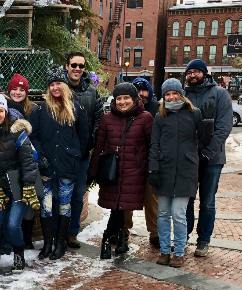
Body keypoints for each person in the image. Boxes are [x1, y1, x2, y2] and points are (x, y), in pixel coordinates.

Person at [149, 79, 215, 268]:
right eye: (167, 94)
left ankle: (178, 252)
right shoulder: (160, 117)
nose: (171, 97)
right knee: (162, 213)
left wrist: (208, 123)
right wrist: (153, 168)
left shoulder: (194, 114)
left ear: (181, 94)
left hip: (186, 170)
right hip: (164, 169)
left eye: (174, 93)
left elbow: (205, 139)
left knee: (178, 214)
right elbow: (154, 145)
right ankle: (164, 251)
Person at [87, 83, 154, 260]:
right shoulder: (107, 119)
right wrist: (92, 172)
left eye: (126, 98)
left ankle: (108, 240)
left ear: (134, 99)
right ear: (114, 100)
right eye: (119, 98)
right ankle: (119, 239)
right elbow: (99, 146)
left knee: (121, 206)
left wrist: (152, 170)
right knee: (117, 206)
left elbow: (152, 146)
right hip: (113, 171)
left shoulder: (145, 118)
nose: (123, 102)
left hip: (135, 171)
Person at [29, 66, 89, 261]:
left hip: (67, 165)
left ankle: (60, 243)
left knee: (64, 205)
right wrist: (41, 154)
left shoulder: (77, 108)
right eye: (52, 84)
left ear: (64, 85)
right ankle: (48, 243)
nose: (55, 87)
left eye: (58, 84)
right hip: (46, 166)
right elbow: (34, 135)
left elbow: (83, 137)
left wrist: (75, 155)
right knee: (45, 206)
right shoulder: (41, 110)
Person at [0, 93, 40, 274]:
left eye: (0, 110)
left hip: (20, 185)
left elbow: (29, 161)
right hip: (0, 186)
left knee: (14, 223)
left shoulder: (17, 133)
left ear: (5, 112)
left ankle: (19, 256)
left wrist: (28, 185)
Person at [183, 59, 233, 257]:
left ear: (204, 73)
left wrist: (207, 153)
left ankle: (203, 240)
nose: (192, 75)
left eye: (196, 72)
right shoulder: (183, 94)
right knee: (185, 200)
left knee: (207, 202)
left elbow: (224, 127)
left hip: (212, 160)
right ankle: (183, 236)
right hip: (188, 158)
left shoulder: (220, 94)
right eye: (189, 72)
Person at [64, 52, 103, 249]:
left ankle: (72, 232)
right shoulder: (58, 89)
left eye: (81, 65)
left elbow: (99, 119)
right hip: (61, 154)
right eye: (74, 65)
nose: (77, 68)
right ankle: (58, 231)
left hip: (82, 154)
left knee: (77, 195)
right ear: (67, 65)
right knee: (60, 194)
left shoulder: (91, 92)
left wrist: (91, 142)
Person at [121, 77, 160, 248]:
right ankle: (123, 232)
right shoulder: (127, 110)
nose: (141, 94)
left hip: (150, 161)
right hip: (131, 163)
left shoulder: (158, 109)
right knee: (126, 201)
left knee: (152, 201)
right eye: (137, 91)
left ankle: (156, 233)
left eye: (144, 90)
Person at [7, 74, 38, 250]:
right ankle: (12, 237)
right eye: (15, 89)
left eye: (22, 89)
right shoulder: (1, 108)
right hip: (9, 163)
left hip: (29, 162)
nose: (18, 92)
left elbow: (38, 136)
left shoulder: (32, 110)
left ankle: (27, 237)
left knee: (28, 202)